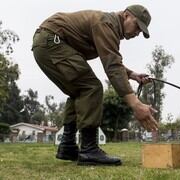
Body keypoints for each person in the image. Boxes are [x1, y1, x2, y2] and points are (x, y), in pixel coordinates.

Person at [32, 4, 158, 166]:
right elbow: (112, 66)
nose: (137, 33)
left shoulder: (107, 26)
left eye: (141, 31)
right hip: (53, 42)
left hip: (46, 42)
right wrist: (136, 105)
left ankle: (68, 146)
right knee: (91, 87)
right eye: (137, 26)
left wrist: (132, 75)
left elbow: (110, 59)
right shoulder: (106, 24)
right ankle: (89, 150)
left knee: (80, 90)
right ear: (126, 15)